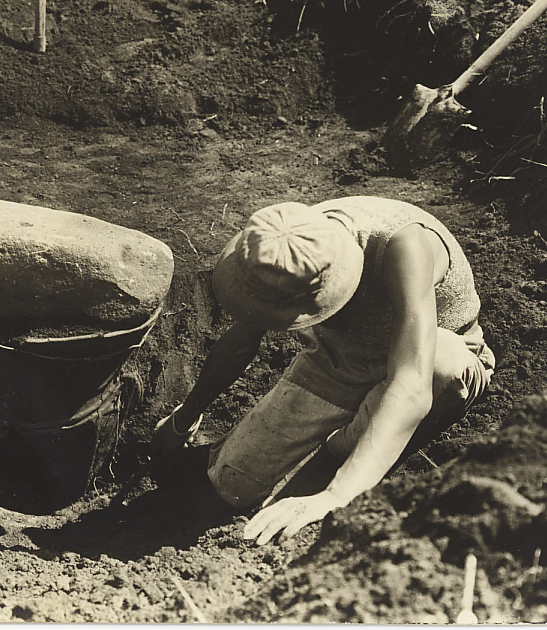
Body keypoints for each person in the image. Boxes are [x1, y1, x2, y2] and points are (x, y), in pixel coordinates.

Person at [151, 196, 495, 545]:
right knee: (230, 485)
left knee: (443, 365)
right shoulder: (279, 249)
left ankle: (338, 451)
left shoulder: (402, 247)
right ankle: (337, 445)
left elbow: (412, 385)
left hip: (425, 359)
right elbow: (242, 338)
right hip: (341, 359)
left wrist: (335, 496)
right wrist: (184, 418)